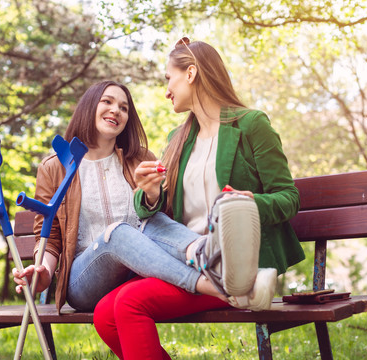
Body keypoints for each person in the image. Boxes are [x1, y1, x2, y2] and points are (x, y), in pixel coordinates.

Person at [92, 39, 305, 359]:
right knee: (103, 314)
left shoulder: (251, 125)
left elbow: (288, 197)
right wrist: (149, 193)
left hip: (235, 264)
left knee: (129, 303)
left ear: (190, 73)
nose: (166, 90)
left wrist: (248, 205)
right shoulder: (177, 140)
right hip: (186, 260)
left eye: (168, 78)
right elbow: (161, 214)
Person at [13, 80, 227, 312]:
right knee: (118, 232)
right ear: (89, 107)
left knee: (151, 222)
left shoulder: (141, 158)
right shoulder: (56, 167)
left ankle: (218, 260)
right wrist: (42, 269)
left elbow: (163, 222)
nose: (116, 110)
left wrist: (153, 195)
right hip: (85, 282)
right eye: (107, 101)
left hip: (141, 269)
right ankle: (209, 284)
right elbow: (49, 236)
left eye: (124, 108)